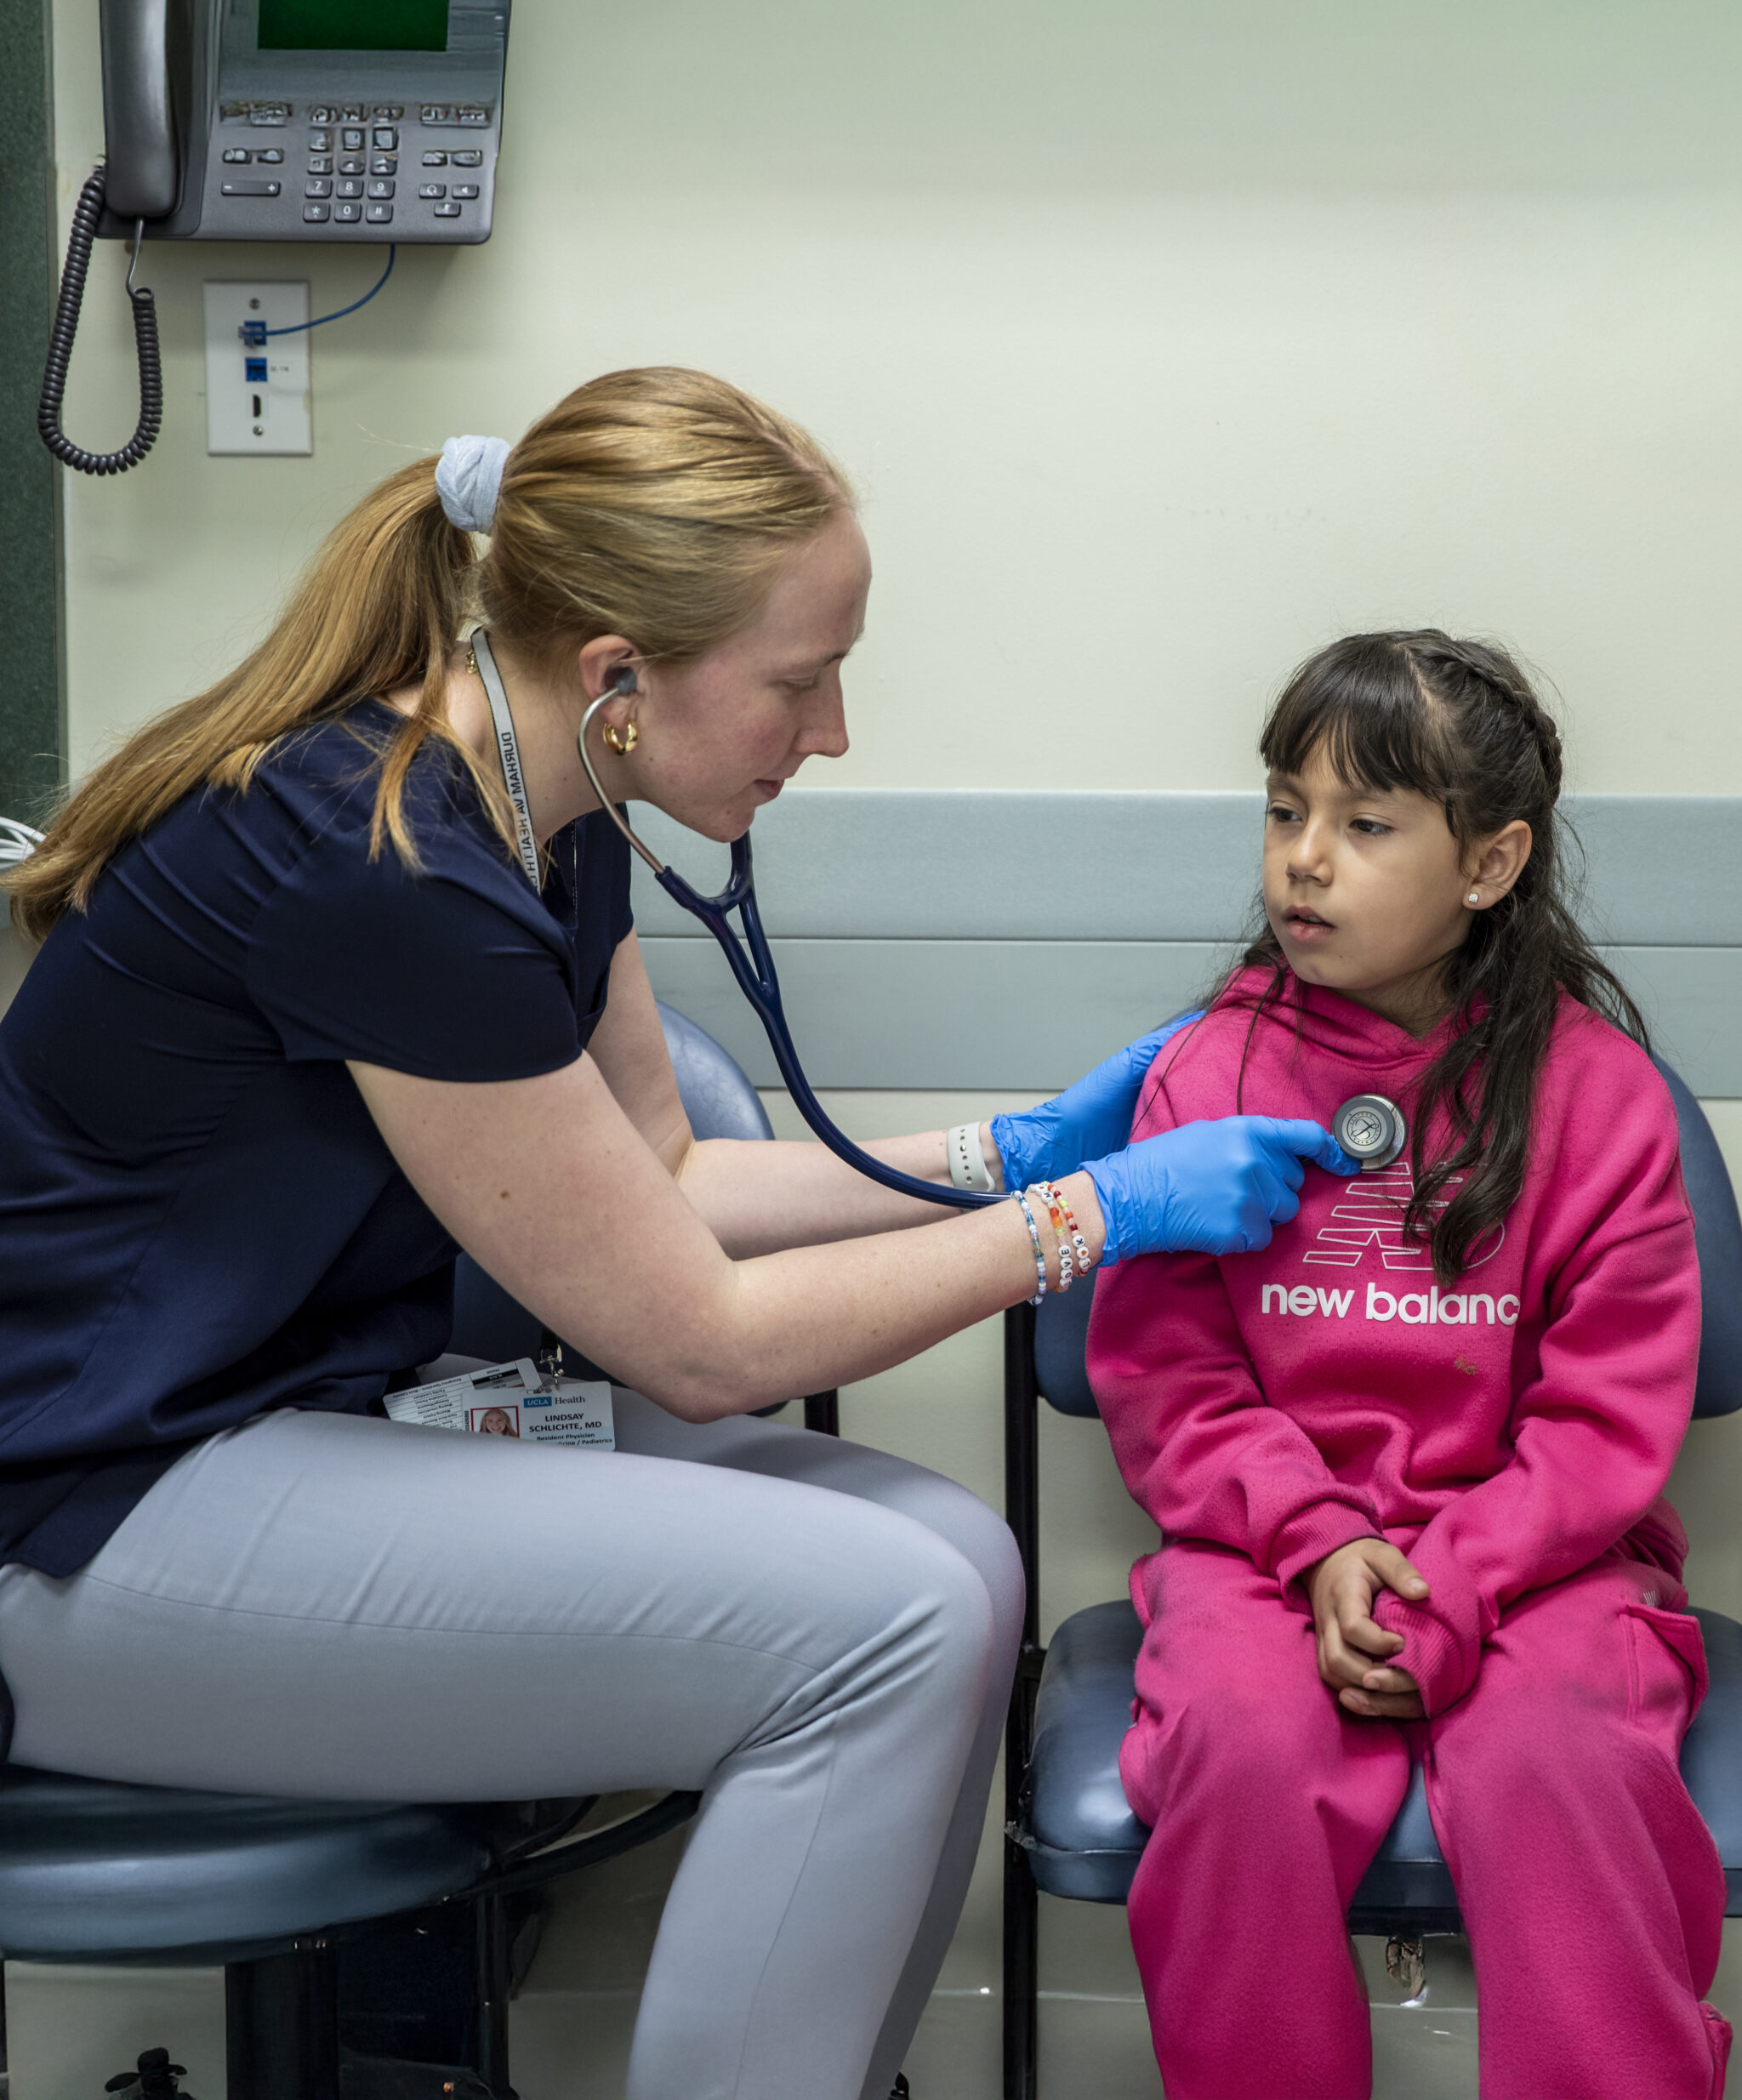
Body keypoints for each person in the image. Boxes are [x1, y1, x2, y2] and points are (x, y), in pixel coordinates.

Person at [0, 366, 1351, 2100]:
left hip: (261, 1434)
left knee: (961, 1557)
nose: (836, 730)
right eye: (803, 679)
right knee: (887, 1624)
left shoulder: (538, 821)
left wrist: (1000, 1146)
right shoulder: (384, 858)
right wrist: (1084, 1217)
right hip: (79, 1516)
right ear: (617, 678)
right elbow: (699, 1340)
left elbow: (666, 1174)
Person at [1086, 629, 1732, 2100]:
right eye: (1283, 810)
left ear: (1490, 864)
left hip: (1545, 1561)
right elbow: (1171, 1381)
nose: (1305, 860)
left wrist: (1451, 1580)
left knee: (1557, 1763)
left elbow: (1605, 1419)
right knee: (1241, 1753)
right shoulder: (1206, 1076)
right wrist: (1321, 1546)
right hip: (1265, 1553)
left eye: (1365, 824)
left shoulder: (1600, 1096)